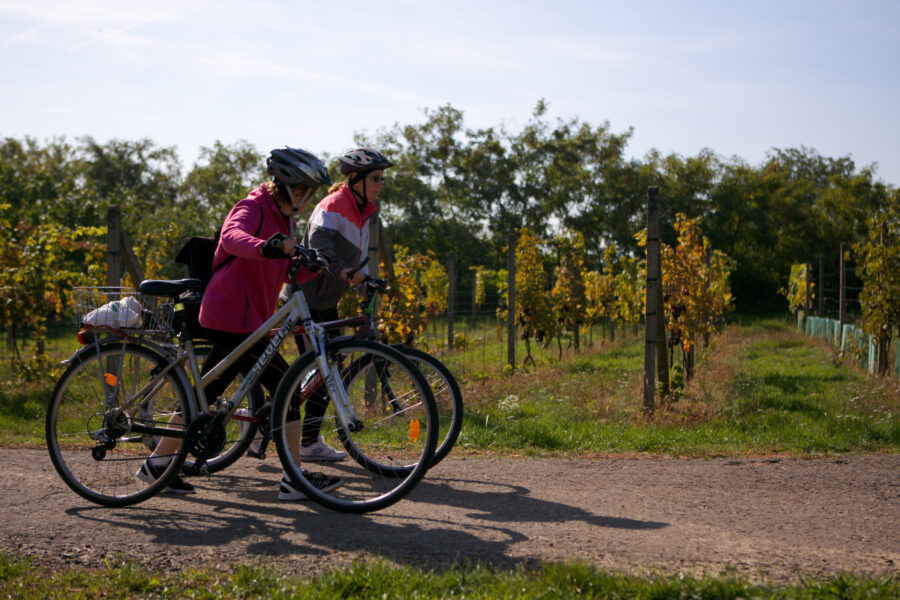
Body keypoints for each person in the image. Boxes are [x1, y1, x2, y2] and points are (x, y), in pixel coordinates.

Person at [137, 146, 340, 501]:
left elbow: (285, 260)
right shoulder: (253, 206)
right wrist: (266, 246)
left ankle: (156, 466)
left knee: (203, 397)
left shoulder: (284, 217)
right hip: (231, 316)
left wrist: (312, 262)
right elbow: (233, 237)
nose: (308, 199)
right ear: (288, 186)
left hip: (247, 319)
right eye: (305, 190)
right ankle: (295, 479)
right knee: (287, 388)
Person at [284, 147, 393, 459]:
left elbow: (359, 260)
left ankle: (308, 441)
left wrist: (365, 285)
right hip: (306, 295)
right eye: (375, 178)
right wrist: (347, 273)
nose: (380, 183)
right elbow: (318, 245)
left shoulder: (363, 213)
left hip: (325, 298)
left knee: (328, 365)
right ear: (355, 179)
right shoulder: (333, 205)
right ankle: (289, 428)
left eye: (382, 178)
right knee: (319, 366)